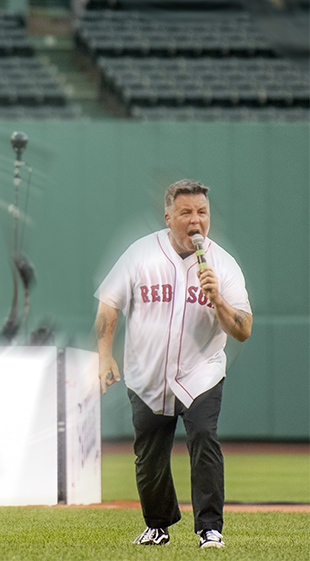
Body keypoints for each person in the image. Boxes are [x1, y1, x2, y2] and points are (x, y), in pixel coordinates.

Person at [94, 179, 251, 549]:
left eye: (202, 212)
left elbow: (242, 329)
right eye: (186, 212)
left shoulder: (222, 264)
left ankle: (210, 528)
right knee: (149, 456)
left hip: (201, 372)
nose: (195, 220)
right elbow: (109, 304)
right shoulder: (140, 254)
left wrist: (219, 301)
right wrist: (104, 355)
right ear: (168, 217)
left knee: (203, 438)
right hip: (146, 374)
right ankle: (158, 525)